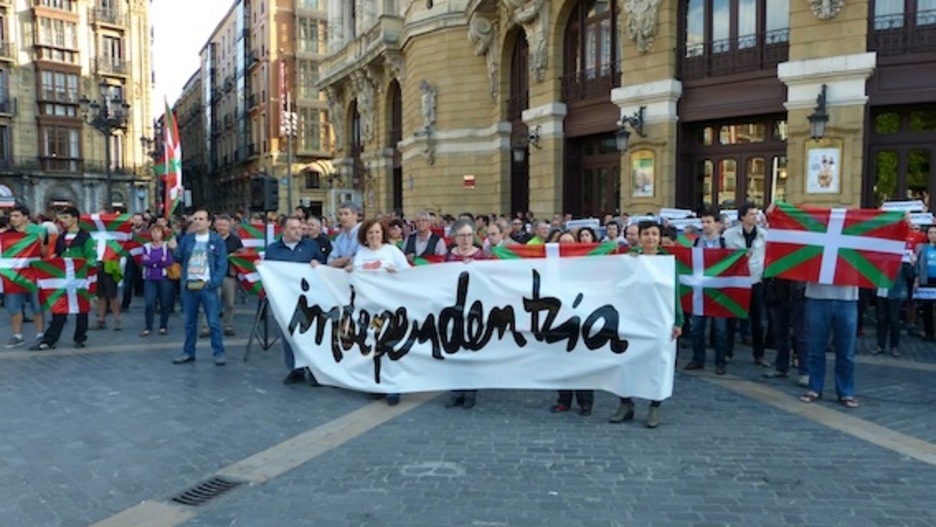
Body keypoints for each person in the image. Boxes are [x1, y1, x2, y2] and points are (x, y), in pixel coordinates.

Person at [609, 221, 683, 428]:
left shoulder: (667, 262)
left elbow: (675, 292)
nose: (650, 238)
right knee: (626, 361)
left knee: (658, 363)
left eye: (654, 234)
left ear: (659, 238)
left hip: (659, 320)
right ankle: (625, 403)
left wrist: (678, 319)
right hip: (633, 319)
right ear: (639, 237)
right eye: (646, 234)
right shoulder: (631, 260)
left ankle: (654, 406)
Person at [350, 218, 409, 406]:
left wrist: (396, 273)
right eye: (370, 233)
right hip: (368, 311)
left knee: (390, 346)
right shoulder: (360, 253)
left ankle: (394, 387)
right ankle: (377, 384)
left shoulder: (392, 251)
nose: (374, 236)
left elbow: (410, 274)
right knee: (373, 346)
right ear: (365, 236)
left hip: (389, 309)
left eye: (377, 232)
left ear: (382, 233)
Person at [266, 217, 327, 385]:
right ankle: (296, 368)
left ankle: (314, 369)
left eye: (300, 228)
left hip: (308, 299)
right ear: (283, 230)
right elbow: (269, 270)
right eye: (293, 228)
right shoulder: (273, 249)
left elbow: (323, 265)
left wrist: (318, 263)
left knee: (311, 333)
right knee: (288, 334)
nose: (298, 231)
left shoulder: (310, 246)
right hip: (284, 299)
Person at [168, 209, 229, 366]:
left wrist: (214, 282)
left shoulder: (216, 240)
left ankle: (219, 352)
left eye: (201, 219)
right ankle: (188, 351)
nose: (197, 221)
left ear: (209, 222)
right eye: (195, 218)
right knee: (189, 322)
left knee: (213, 321)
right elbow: (179, 258)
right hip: (189, 285)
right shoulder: (187, 240)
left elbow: (222, 263)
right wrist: (173, 248)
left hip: (207, 285)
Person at [31, 206, 95, 350]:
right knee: (58, 309)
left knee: (81, 309)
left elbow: (91, 257)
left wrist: (82, 265)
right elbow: (56, 256)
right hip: (62, 279)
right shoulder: (61, 237)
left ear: (75, 218)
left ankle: (80, 337)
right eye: (62, 218)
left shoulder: (85, 237)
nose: (63, 221)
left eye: (66, 218)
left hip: (78, 279)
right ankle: (49, 340)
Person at [443, 219, 487, 410]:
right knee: (454, 349)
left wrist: (475, 268)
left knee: (470, 350)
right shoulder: (448, 256)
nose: (466, 239)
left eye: (469, 235)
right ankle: (456, 391)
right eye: (462, 235)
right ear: (455, 237)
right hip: (453, 307)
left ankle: (470, 391)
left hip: (474, 309)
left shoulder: (480, 255)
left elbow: (488, 281)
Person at [799, 279, 861, 409]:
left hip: (847, 298)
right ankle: (814, 388)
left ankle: (846, 392)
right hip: (818, 297)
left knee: (846, 351)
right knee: (815, 348)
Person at [552, 230, 595, 416]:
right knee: (561, 363)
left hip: (582, 318)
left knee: (582, 363)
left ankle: (585, 402)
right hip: (558, 320)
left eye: (570, 242)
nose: (567, 246)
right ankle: (564, 400)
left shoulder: (585, 264)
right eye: (563, 242)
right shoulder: (551, 265)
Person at [683, 209, 730, 375]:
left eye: (708, 222)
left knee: (720, 330)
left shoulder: (725, 243)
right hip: (699, 292)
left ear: (717, 224)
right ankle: (698, 359)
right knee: (697, 328)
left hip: (718, 293)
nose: (705, 225)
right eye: (702, 222)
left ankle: (720, 361)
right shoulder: (696, 243)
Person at [724, 202, 770, 367]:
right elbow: (724, 257)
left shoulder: (763, 234)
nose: (755, 217)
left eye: (756, 214)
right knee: (732, 319)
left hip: (755, 281)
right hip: (736, 282)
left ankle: (759, 354)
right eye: (751, 214)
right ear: (742, 216)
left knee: (758, 321)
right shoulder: (729, 235)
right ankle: (727, 352)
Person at [3, 205, 47, 348]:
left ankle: (40, 334)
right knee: (14, 308)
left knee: (37, 307)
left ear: (25, 217)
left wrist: (42, 242)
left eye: (16, 216)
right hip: (13, 276)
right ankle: (17, 336)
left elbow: (44, 253)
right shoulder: (6, 235)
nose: (13, 219)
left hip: (33, 275)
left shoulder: (39, 231)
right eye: (11, 216)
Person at [201, 215, 243, 337]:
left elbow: (242, 255)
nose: (222, 228)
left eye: (224, 225)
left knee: (229, 303)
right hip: (212, 276)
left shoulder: (236, 240)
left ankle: (227, 325)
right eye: (219, 225)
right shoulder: (209, 238)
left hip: (229, 276)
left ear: (229, 226)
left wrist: (235, 255)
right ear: (215, 226)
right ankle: (206, 327)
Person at [139, 224, 175, 337]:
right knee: (149, 303)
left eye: (158, 232)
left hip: (164, 278)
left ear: (162, 234)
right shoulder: (146, 246)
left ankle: (163, 326)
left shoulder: (166, 246)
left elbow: (169, 261)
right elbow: (144, 261)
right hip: (149, 278)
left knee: (165, 303)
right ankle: (148, 327)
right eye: (153, 232)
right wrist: (159, 261)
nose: (155, 234)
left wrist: (153, 262)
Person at [914, 225, 936, 342]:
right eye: (930, 233)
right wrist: (917, 280)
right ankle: (929, 333)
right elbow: (918, 266)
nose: (933, 235)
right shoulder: (922, 248)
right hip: (926, 281)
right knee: (927, 308)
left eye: (935, 233)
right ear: (927, 235)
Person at [121, 213, 147, 311]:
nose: (137, 222)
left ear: (143, 221)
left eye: (139, 220)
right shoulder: (128, 232)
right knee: (128, 281)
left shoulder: (147, 232)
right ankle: (125, 304)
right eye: (135, 220)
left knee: (148, 281)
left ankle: (153, 303)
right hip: (131, 258)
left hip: (145, 258)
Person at [327, 201, 361, 269]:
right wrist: (347, 258)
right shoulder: (339, 238)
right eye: (340, 214)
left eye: (346, 214)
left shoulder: (362, 234)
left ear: (355, 215)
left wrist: (340, 261)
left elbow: (358, 261)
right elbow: (330, 261)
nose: (343, 217)